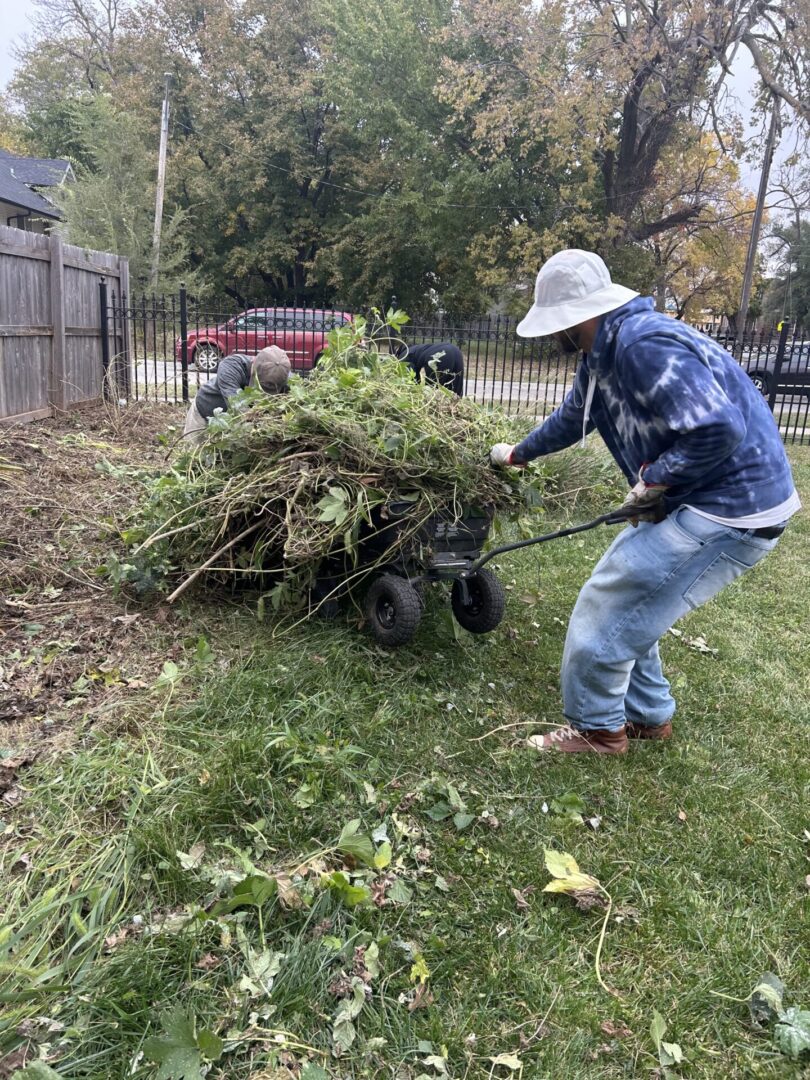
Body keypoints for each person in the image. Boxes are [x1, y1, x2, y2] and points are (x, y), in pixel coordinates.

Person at [490, 249, 800, 755]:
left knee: (610, 599)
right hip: (701, 495)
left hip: (733, 505)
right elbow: (576, 416)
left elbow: (719, 429)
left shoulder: (642, 344)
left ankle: (597, 732)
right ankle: (648, 718)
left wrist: (656, 478)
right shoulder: (602, 352)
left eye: (555, 323)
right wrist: (520, 453)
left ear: (578, 317)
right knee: (637, 597)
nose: (551, 335)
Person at [183, 346, 291, 443]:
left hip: (235, 425)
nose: (265, 393)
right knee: (193, 453)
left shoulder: (283, 375)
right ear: (253, 366)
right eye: (263, 386)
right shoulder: (231, 366)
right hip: (205, 412)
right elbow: (237, 406)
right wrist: (260, 426)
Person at [382, 336, 464, 396]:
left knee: (432, 392)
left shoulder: (405, 355)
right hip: (456, 350)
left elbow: (411, 383)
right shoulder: (417, 348)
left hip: (440, 355)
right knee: (455, 391)